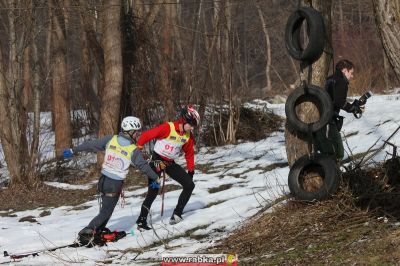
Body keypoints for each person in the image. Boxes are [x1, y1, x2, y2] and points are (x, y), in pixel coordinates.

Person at [62, 116, 160, 246]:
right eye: (136, 132)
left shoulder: (111, 139)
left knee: (106, 208)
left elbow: (91, 145)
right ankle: (87, 231)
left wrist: (73, 150)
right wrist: (156, 177)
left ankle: (99, 230)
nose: (138, 134)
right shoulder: (132, 149)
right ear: (129, 132)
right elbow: (143, 166)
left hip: (103, 181)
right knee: (106, 211)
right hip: (114, 185)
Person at [135, 105, 200, 229]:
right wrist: (137, 149)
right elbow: (146, 136)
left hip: (170, 164)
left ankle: (177, 214)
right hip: (156, 162)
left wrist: (190, 171)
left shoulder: (188, 136)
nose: (192, 128)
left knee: (189, 185)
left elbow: (189, 154)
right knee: (153, 191)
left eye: (194, 126)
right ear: (184, 119)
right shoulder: (167, 128)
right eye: (191, 124)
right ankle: (141, 220)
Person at [315, 59, 365, 160]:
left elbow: (335, 99)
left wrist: (353, 106)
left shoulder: (329, 79)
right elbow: (339, 102)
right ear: (344, 70)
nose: (352, 76)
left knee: (325, 150)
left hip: (321, 120)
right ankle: (331, 173)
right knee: (337, 153)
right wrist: (354, 109)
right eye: (351, 73)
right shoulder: (341, 81)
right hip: (327, 121)